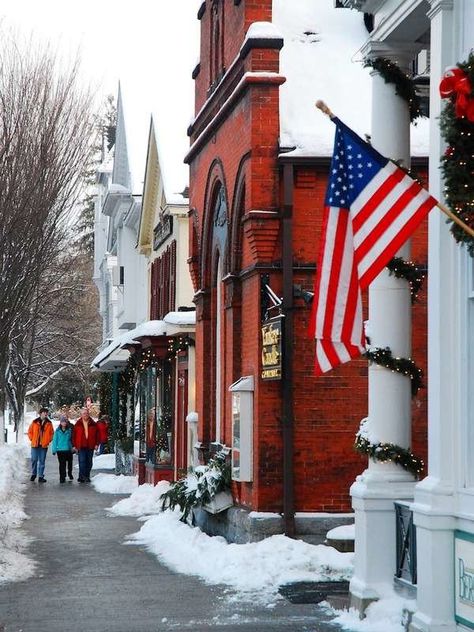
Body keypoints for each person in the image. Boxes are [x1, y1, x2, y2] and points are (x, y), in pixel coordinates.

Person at [27, 407, 54, 483]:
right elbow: (29, 431)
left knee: (42, 461)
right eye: (44, 412)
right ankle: (33, 474)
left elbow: (52, 433)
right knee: (34, 460)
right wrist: (32, 439)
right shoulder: (34, 422)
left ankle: (41, 476)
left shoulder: (49, 423)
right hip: (35, 445)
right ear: (40, 413)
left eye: (46, 412)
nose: (45, 414)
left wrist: (48, 440)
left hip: (43, 446)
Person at [72, 407, 98, 483]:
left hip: (90, 445)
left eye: (86, 413)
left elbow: (97, 435)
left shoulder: (93, 423)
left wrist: (96, 444)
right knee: (82, 461)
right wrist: (74, 445)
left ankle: (85, 476)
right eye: (84, 413)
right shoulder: (78, 424)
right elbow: (74, 435)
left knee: (89, 462)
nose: (85, 415)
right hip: (81, 445)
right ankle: (84, 476)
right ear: (81, 415)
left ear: (88, 414)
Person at [51, 415, 74, 483]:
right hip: (60, 450)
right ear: (60, 423)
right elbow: (55, 441)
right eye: (62, 422)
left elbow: (71, 439)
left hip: (68, 449)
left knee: (70, 463)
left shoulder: (69, 430)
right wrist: (54, 450)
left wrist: (72, 447)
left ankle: (69, 473)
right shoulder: (57, 431)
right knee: (62, 464)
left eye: (65, 422)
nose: (64, 423)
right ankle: (62, 477)